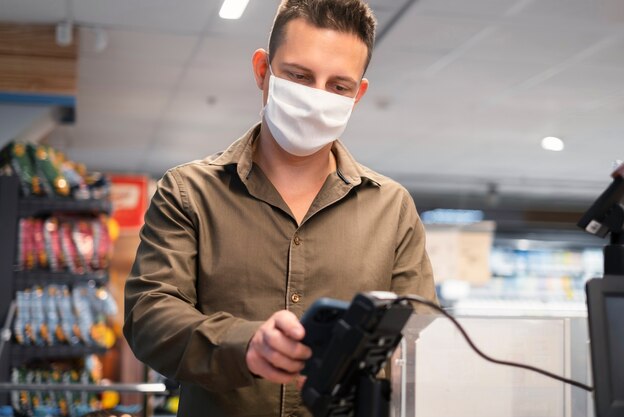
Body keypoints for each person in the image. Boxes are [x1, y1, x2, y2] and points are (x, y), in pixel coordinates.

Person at [123, 1, 437, 416]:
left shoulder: (391, 207)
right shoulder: (189, 192)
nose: (315, 99)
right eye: (299, 76)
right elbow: (149, 314)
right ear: (262, 71)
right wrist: (246, 344)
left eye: (338, 86)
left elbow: (418, 336)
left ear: (358, 94)